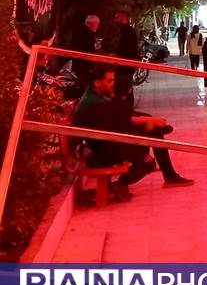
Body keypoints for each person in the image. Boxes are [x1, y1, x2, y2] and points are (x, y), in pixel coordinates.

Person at [72, 66, 194, 199]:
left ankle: (168, 174)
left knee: (153, 133)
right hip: (105, 146)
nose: (113, 84)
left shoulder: (97, 95)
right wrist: (150, 120)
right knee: (150, 146)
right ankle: (123, 183)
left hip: (108, 140)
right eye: (109, 81)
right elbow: (124, 118)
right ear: (97, 83)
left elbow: (120, 117)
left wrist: (148, 121)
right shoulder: (94, 100)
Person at [112, 11, 140, 104]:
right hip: (126, 63)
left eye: (117, 18)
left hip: (125, 64)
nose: (115, 20)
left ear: (123, 18)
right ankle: (127, 103)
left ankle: (127, 103)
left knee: (125, 84)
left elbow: (126, 48)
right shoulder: (125, 31)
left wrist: (117, 55)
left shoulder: (127, 31)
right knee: (126, 84)